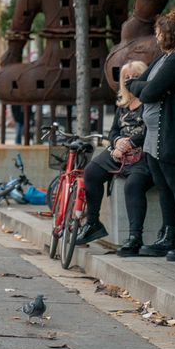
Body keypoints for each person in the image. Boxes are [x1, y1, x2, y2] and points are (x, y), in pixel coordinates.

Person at [126, 10, 175, 262]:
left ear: (171, 33)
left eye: (160, 32)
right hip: (154, 137)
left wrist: (143, 87)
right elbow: (134, 85)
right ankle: (167, 236)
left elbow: (146, 92)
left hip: (174, 135)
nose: (157, 36)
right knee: (164, 187)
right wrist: (143, 86)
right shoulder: (162, 59)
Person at [75, 61, 154, 256]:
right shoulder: (123, 105)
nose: (130, 80)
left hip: (143, 156)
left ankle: (135, 237)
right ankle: (93, 222)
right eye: (126, 77)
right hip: (119, 154)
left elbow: (151, 130)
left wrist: (130, 143)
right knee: (91, 172)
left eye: (135, 76)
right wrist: (118, 142)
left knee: (133, 185)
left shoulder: (151, 103)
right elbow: (113, 132)